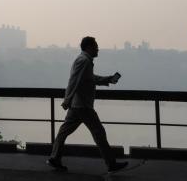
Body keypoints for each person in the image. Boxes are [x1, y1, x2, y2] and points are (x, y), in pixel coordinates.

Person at [47, 36, 128, 172]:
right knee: (99, 133)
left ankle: (54, 158)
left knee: (64, 132)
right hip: (83, 106)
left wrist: (108, 79)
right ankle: (111, 164)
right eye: (96, 46)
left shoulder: (83, 60)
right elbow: (74, 81)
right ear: (89, 47)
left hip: (78, 105)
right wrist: (67, 100)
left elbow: (89, 78)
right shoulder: (84, 61)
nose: (98, 49)